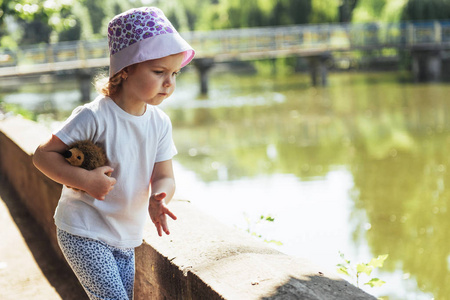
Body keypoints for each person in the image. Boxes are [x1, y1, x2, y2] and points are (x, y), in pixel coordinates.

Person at [32, 7, 195, 300]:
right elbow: (43, 156)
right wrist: (85, 181)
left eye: (174, 73)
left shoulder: (159, 123)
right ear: (126, 69)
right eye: (159, 72)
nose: (169, 83)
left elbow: (165, 176)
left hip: (125, 235)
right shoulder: (94, 116)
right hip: (84, 230)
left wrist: (160, 197)